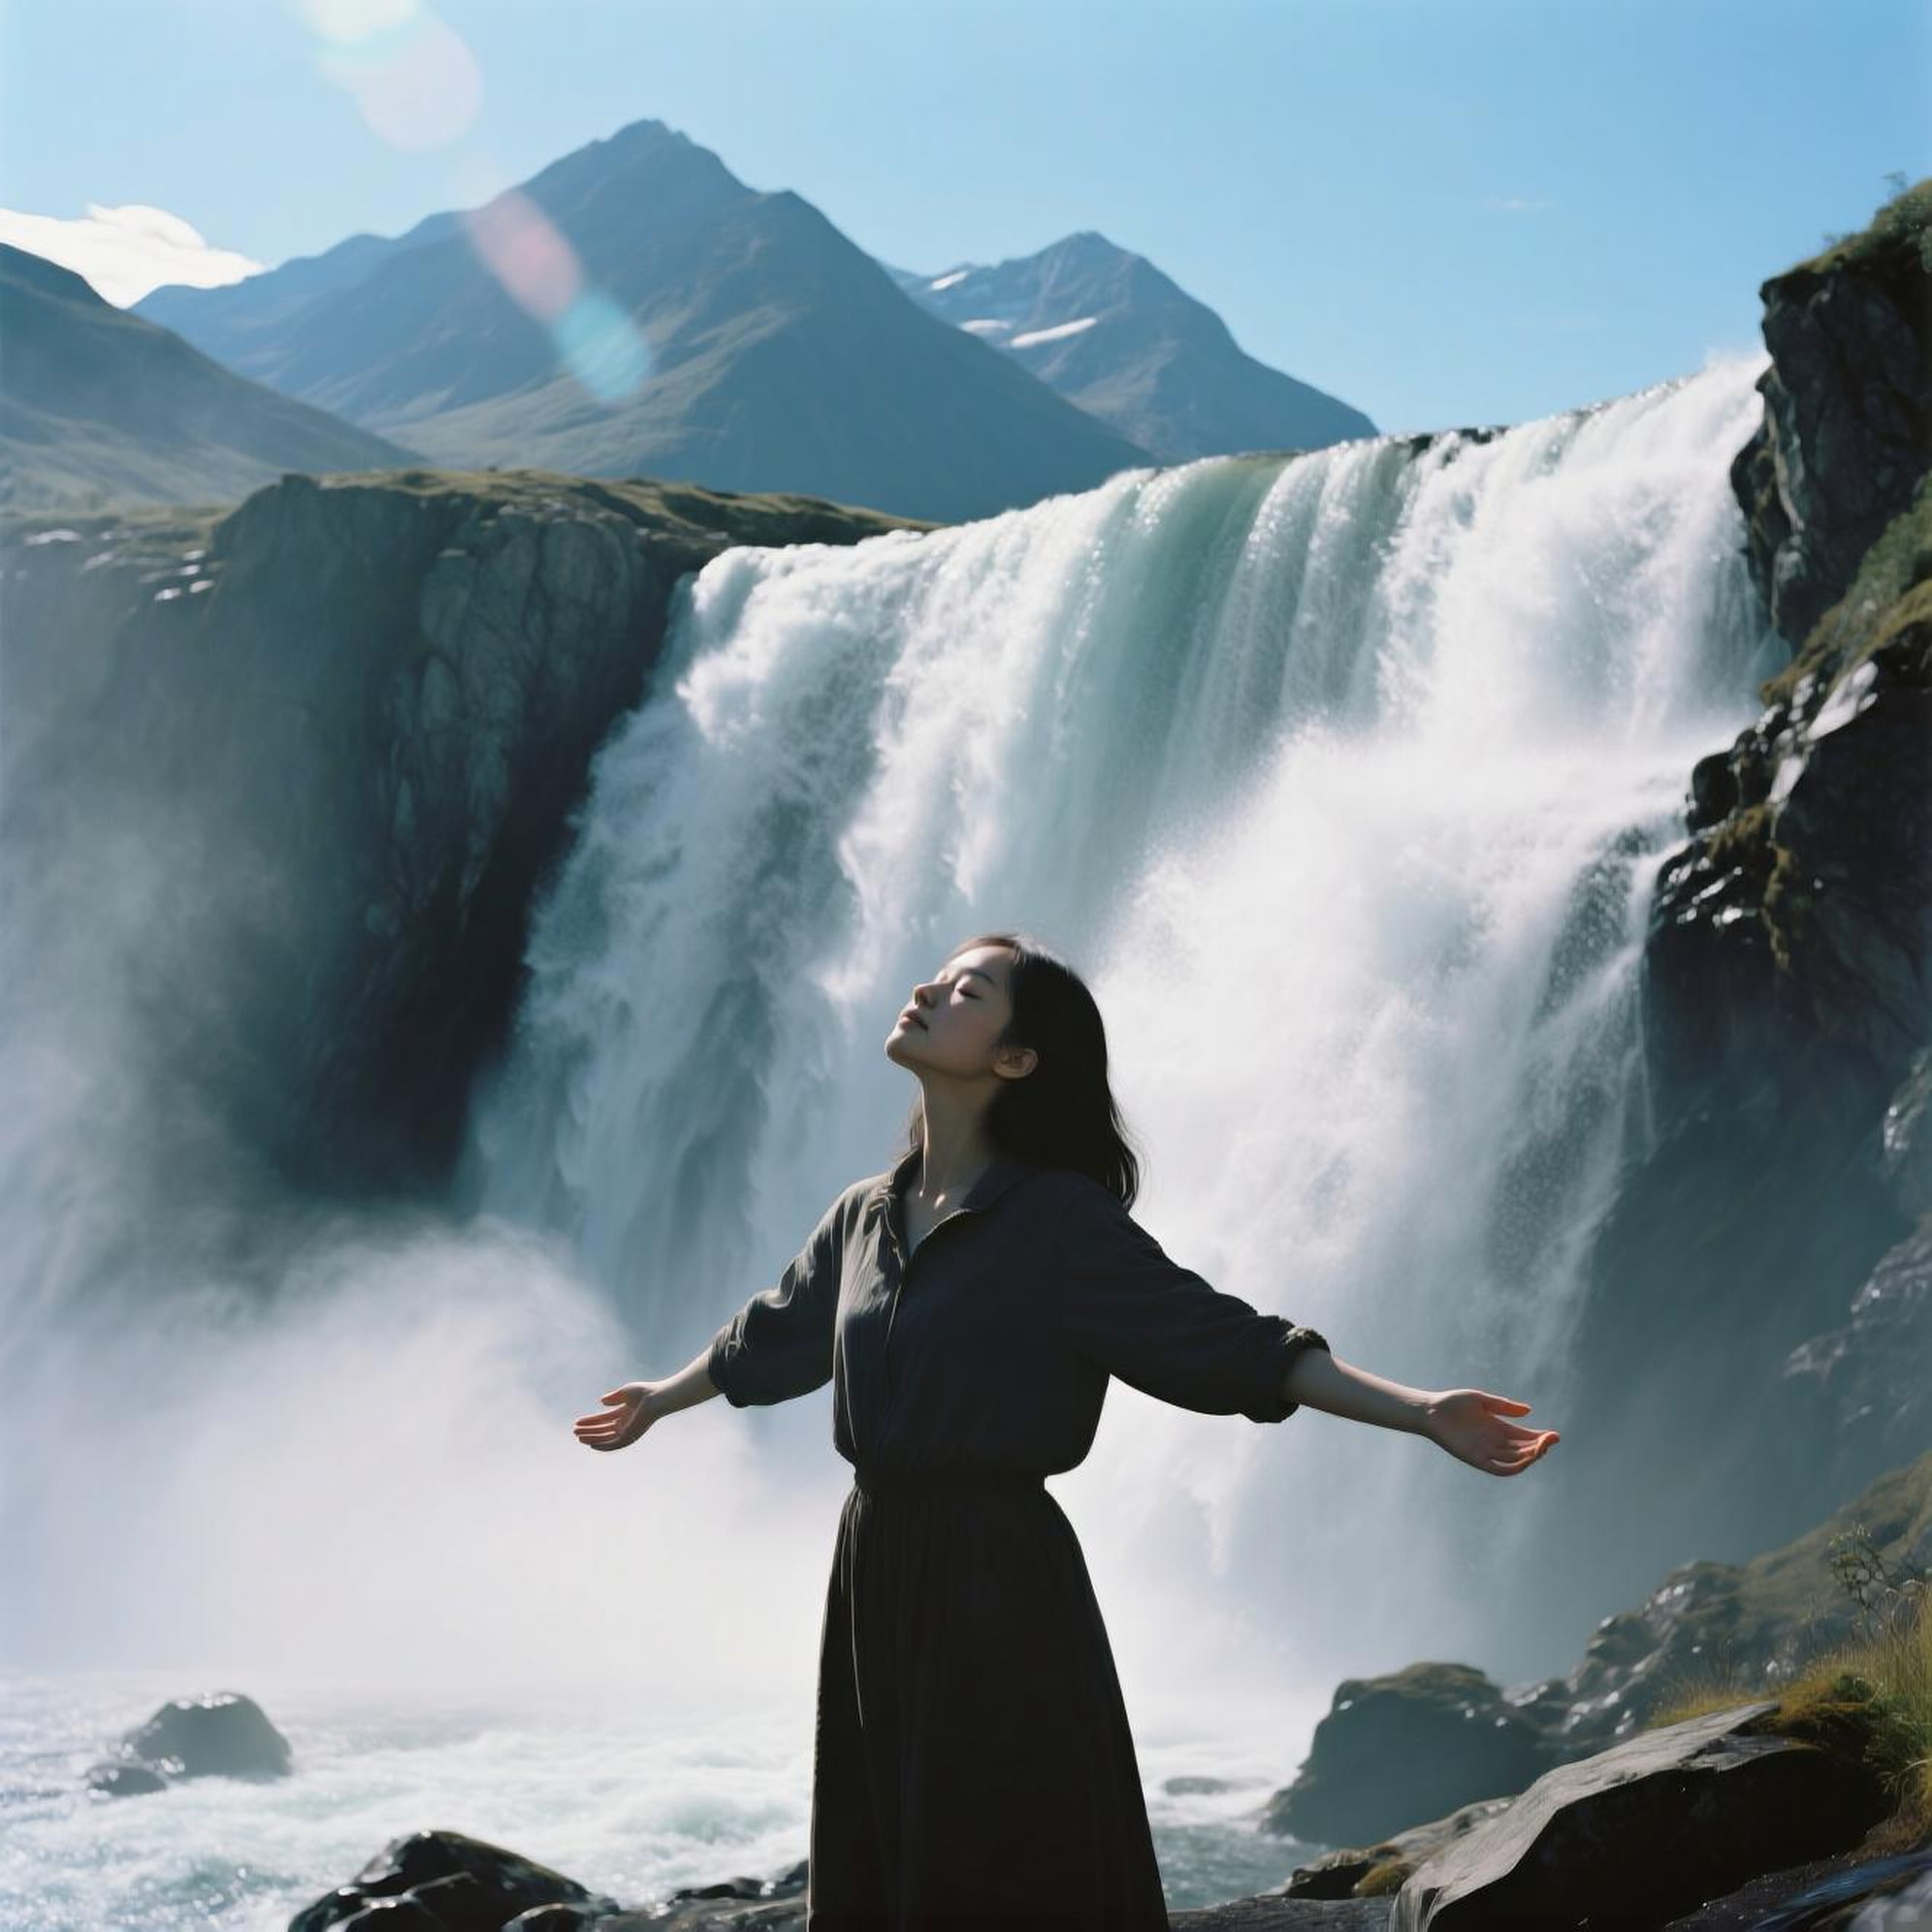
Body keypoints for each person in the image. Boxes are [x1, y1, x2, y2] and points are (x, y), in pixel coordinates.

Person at [573, 929, 1561, 1929]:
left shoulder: (1057, 1219)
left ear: (1016, 1059)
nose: (926, 990)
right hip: (873, 1564)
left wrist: (1423, 1411)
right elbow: (773, 1336)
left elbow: (1222, 1340)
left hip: (997, 1581)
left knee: (999, 1864)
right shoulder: (863, 1216)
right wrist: (664, 1395)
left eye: (968, 991)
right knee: (888, 1860)